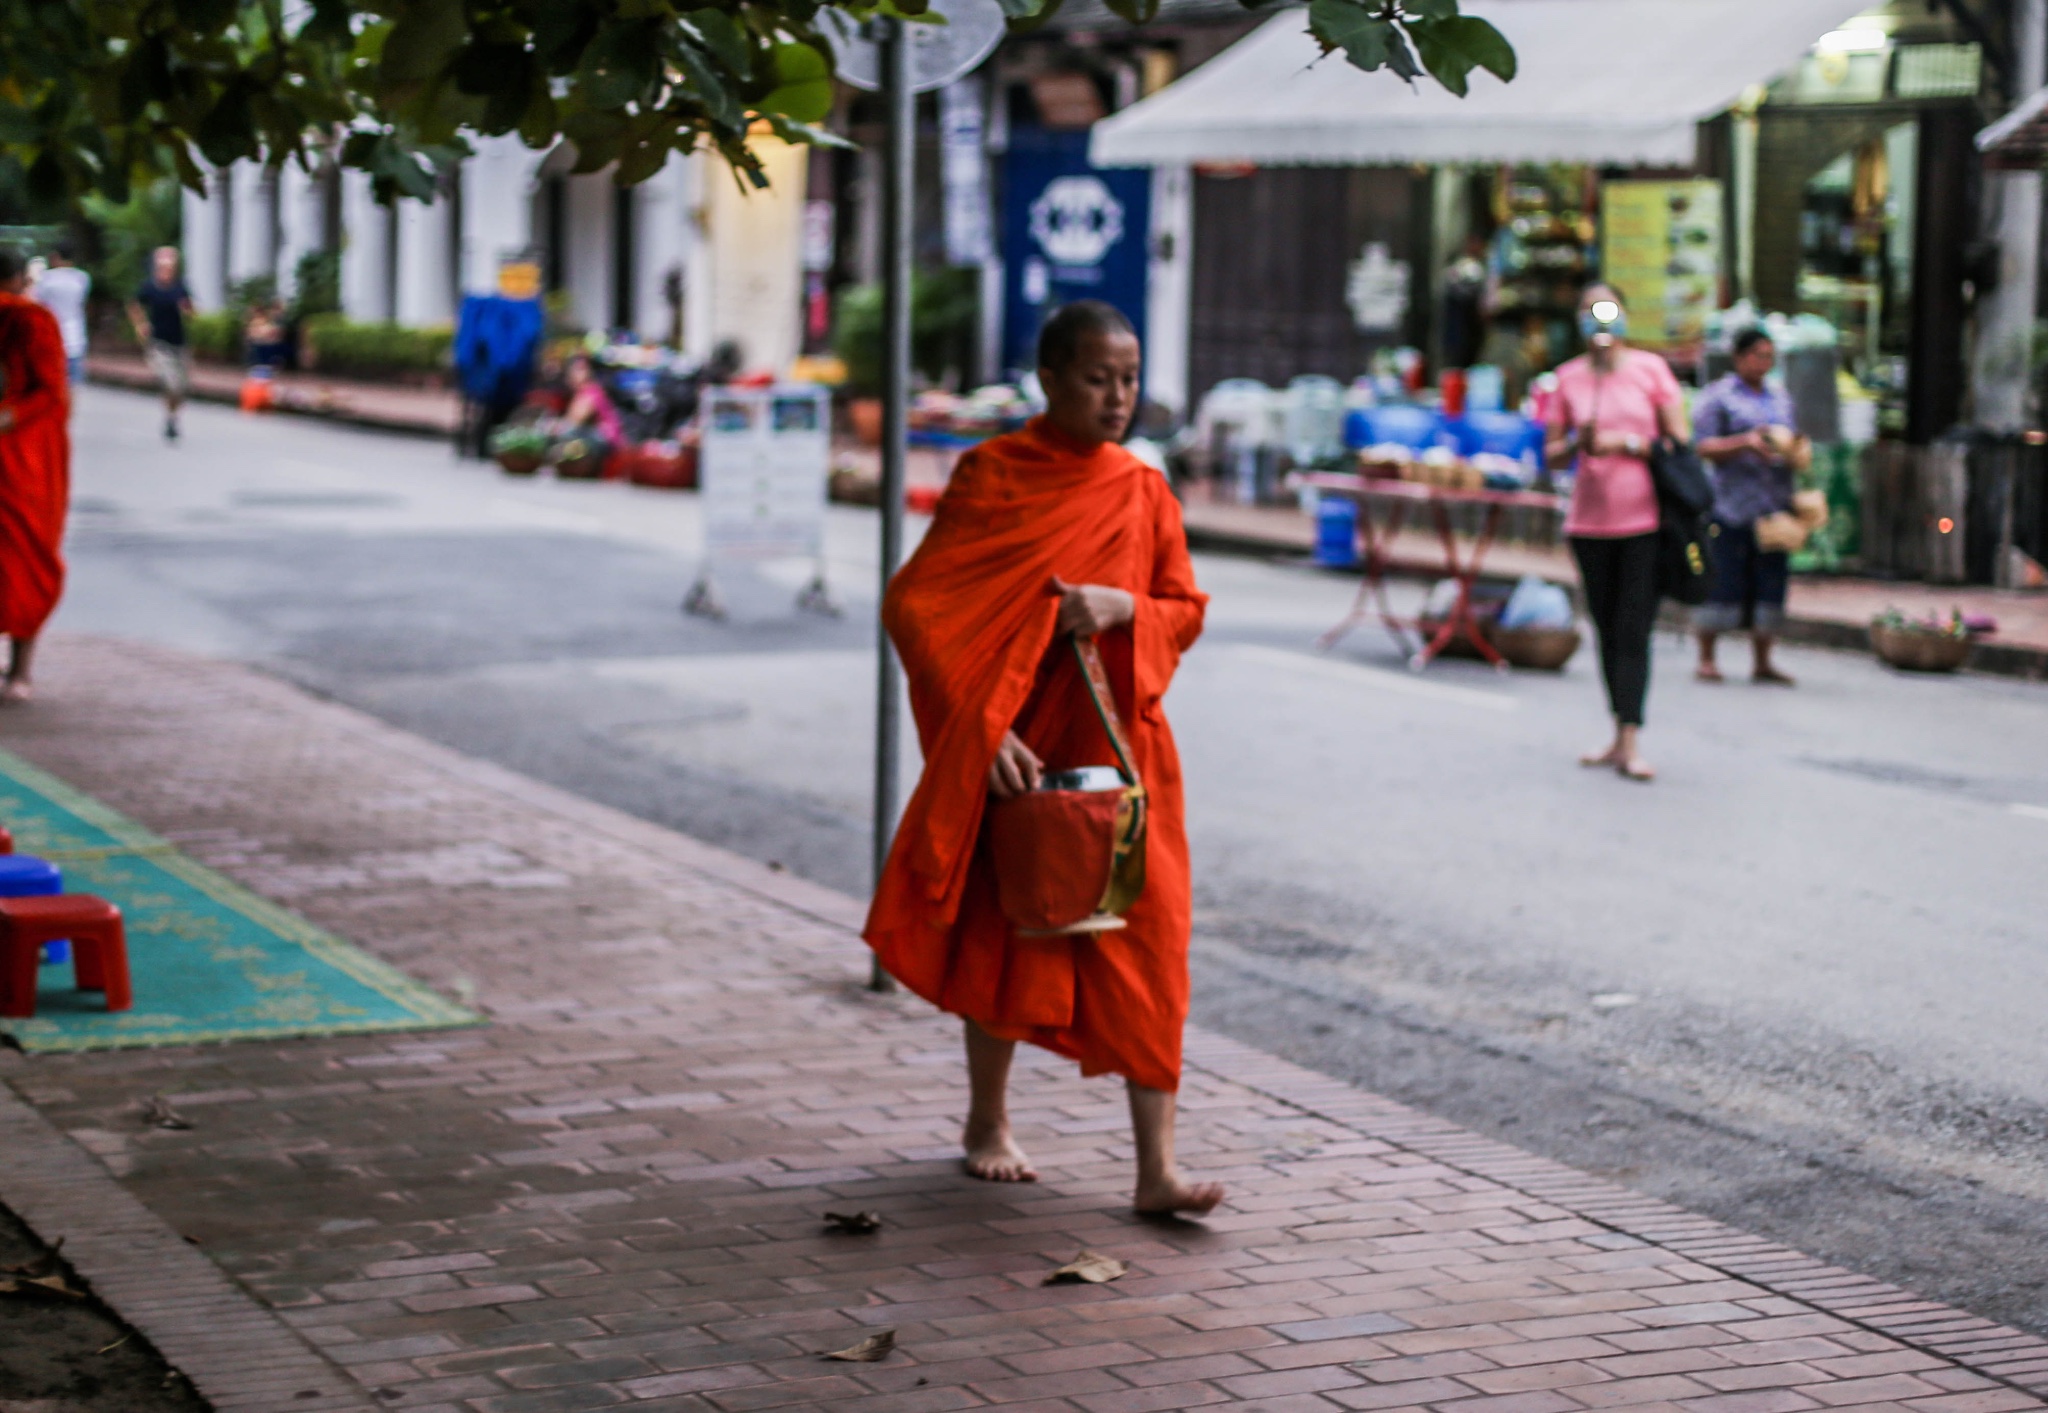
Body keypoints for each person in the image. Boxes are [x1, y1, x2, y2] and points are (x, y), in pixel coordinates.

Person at [864, 300, 1221, 1217]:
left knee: (1153, 938)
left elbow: (1183, 607)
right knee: (1011, 929)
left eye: (1131, 379)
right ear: (1050, 380)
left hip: (1121, 748)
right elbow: (920, 607)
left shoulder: (1142, 490)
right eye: (1099, 379)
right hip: (1019, 747)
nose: (1118, 397)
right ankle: (987, 1121)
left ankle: (1157, 1170)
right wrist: (980, 733)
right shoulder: (994, 476)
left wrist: (1123, 609)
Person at [1545, 283, 1687, 783]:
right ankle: (1616, 730)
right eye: (1588, 310)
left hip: (1644, 520)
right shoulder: (1567, 378)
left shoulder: (1651, 370)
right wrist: (1577, 444)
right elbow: (1552, 453)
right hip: (1588, 522)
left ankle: (1631, 738)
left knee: (1633, 628)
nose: (1597, 319)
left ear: (1623, 315)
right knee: (1606, 627)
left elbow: (1678, 442)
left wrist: (1626, 442)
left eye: (1605, 310)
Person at [1692, 328, 1799, 685]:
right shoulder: (1718, 397)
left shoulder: (1780, 397)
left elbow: (1793, 438)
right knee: (1723, 581)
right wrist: (1745, 443)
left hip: (1773, 505)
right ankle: (1707, 657)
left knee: (1770, 583)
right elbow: (1702, 447)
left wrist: (1793, 452)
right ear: (1738, 357)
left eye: (1769, 356)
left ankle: (1763, 660)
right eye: (1757, 355)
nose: (1763, 363)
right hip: (1731, 504)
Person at [0, 249, 73, 701]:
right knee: (27, 554)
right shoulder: (31, 319)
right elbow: (53, 391)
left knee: (21, 554)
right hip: (23, 455)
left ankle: (19, 672)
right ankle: (19, 673)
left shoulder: (28, 319)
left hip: (17, 448)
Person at [127, 246, 192, 442]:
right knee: (170, 382)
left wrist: (187, 310)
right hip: (159, 342)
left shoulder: (180, 287)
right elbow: (134, 304)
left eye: (170, 266)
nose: (166, 270)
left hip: (179, 342)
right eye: (163, 266)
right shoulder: (149, 287)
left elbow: (191, 310)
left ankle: (172, 418)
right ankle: (170, 414)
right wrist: (140, 324)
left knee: (181, 387)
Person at [32, 241, 90, 389]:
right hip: (75, 336)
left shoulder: (46, 279)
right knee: (71, 384)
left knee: (50, 383)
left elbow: (38, 303)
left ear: (55, 256)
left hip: (50, 336)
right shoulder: (82, 278)